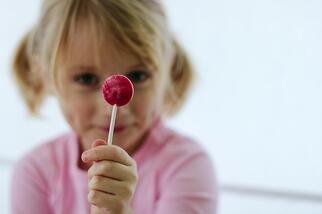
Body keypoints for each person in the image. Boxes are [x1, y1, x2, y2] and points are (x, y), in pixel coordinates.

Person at [11, 0, 218, 213]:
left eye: (138, 76)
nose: (112, 108)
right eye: (86, 78)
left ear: (169, 69)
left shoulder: (186, 166)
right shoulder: (35, 173)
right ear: (45, 77)